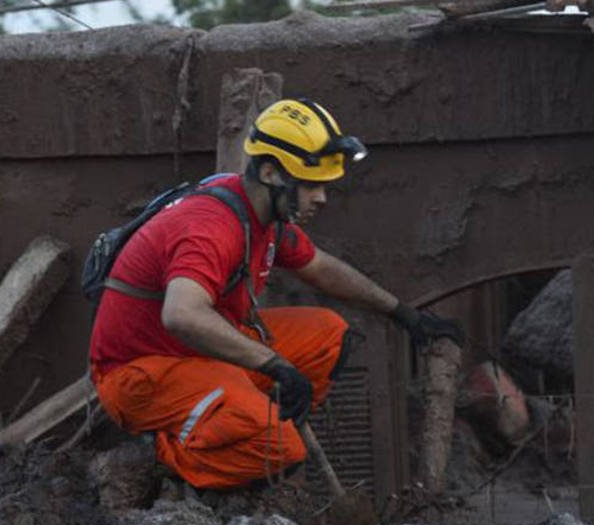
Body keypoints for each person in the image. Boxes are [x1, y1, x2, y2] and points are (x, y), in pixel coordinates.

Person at [89, 98, 463, 490]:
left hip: (199, 351)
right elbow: (182, 315)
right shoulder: (211, 227)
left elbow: (319, 267)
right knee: (279, 449)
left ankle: (248, 430)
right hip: (144, 370)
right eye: (311, 184)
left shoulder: (263, 214)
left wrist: (403, 313)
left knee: (328, 336)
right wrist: (274, 364)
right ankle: (163, 460)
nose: (321, 198)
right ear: (271, 172)